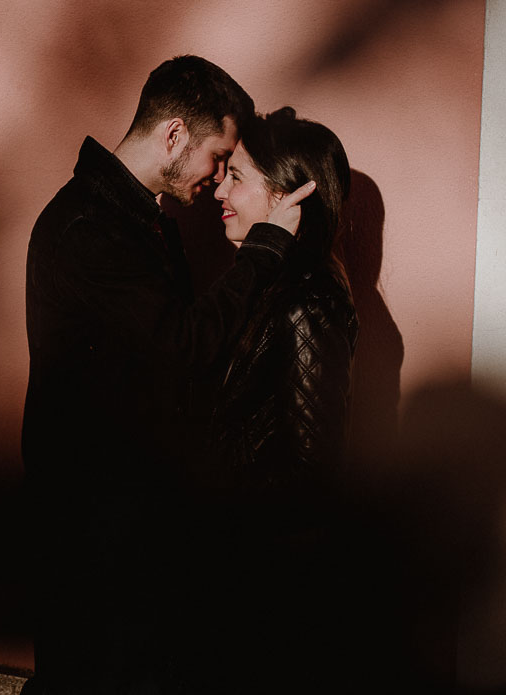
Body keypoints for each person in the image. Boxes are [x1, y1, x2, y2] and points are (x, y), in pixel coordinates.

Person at [20, 57, 314, 694]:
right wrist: (267, 246)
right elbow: (182, 346)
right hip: (91, 538)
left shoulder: (135, 219)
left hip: (126, 534)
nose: (216, 178)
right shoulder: (88, 230)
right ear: (175, 135)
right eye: (218, 156)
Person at [177, 108, 358, 693]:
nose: (218, 191)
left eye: (238, 178)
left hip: (261, 593)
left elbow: (311, 472)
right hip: (230, 576)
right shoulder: (264, 288)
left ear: (289, 196)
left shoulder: (308, 304)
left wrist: (203, 507)